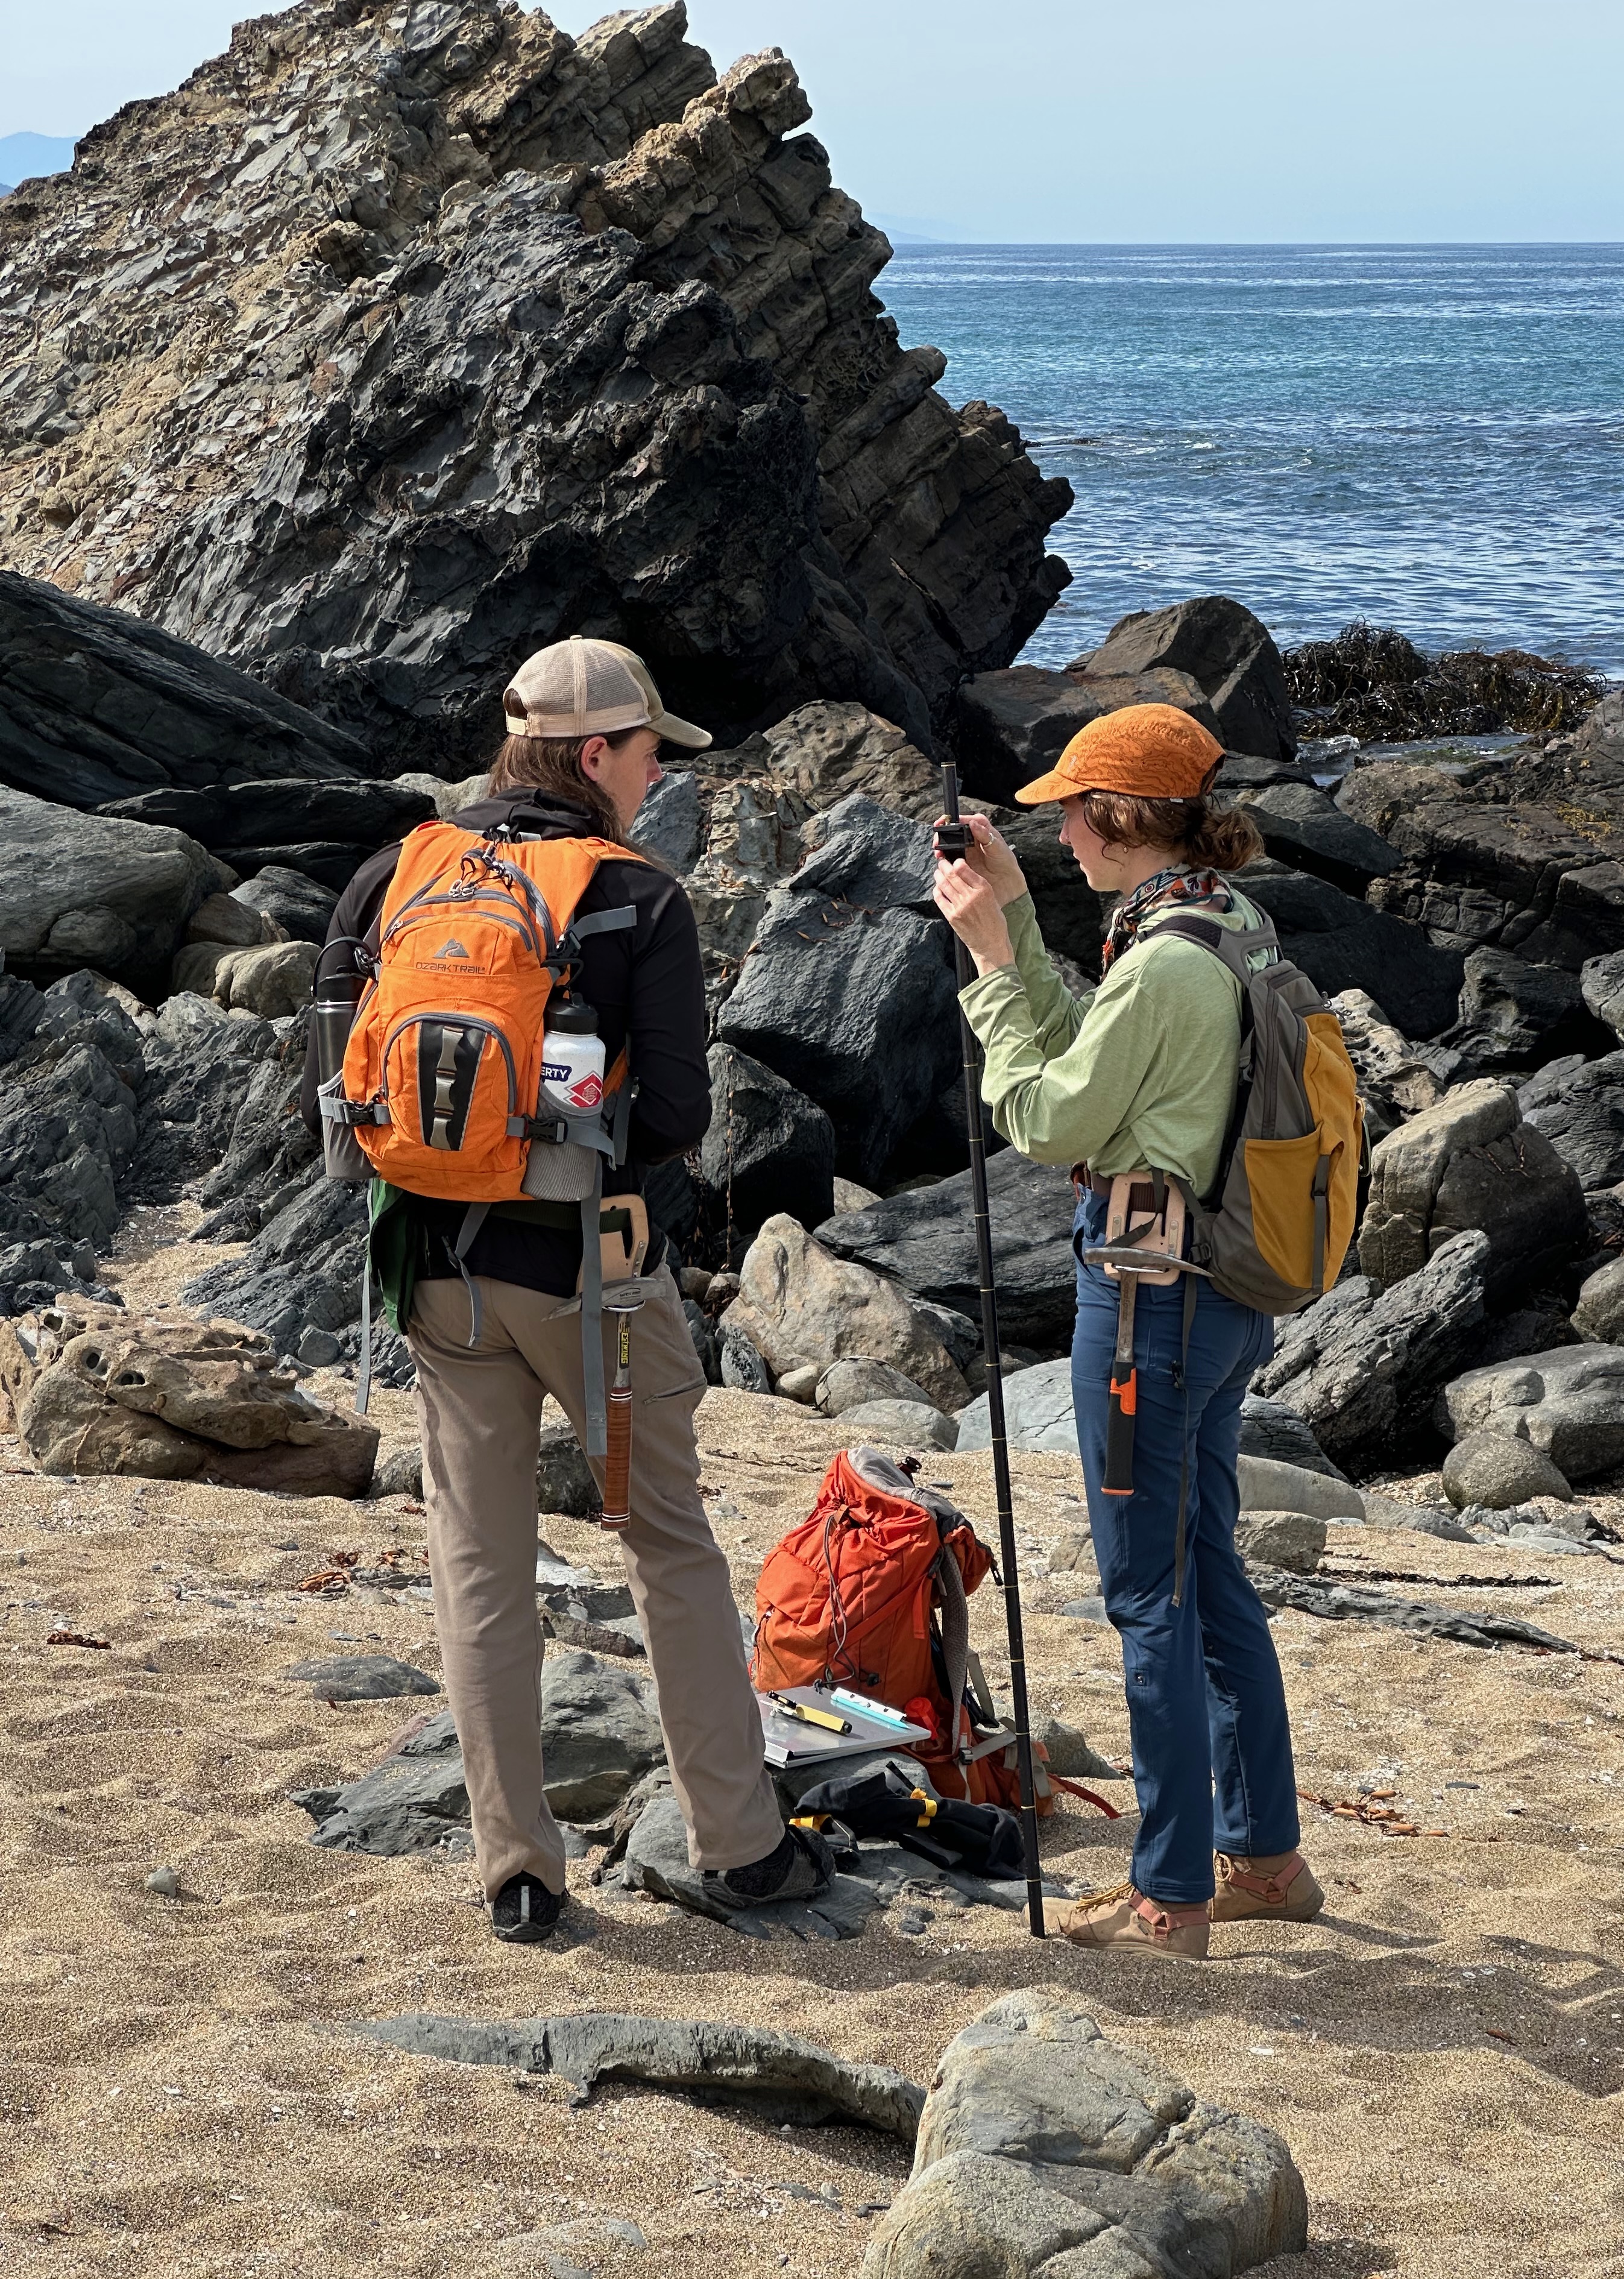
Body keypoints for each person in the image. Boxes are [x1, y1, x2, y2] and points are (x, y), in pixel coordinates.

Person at [302, 636, 831, 1941]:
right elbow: (680, 1122)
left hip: (433, 1270)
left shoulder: (394, 871)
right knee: (669, 1548)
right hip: (592, 1276)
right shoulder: (635, 896)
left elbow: (328, 1082)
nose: (658, 776)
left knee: (477, 1564)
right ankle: (740, 1850)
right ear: (594, 753)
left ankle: (518, 1875)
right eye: (651, 752)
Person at [931, 702, 1323, 1963]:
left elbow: (1047, 1117)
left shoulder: (1163, 962)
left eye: (1068, 808)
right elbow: (1111, 1071)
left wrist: (989, 961)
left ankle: (1171, 1895)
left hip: (1151, 1295)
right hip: (1223, 1294)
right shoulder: (1221, 918)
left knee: (1147, 1591)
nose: (1053, 824)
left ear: (1118, 815)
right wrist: (1024, 925)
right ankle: (1264, 1859)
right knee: (1208, 1570)